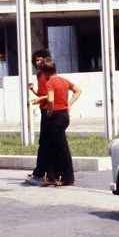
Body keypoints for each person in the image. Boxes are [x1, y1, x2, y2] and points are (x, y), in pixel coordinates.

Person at [27, 51, 81, 186]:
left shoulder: (50, 82)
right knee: (52, 146)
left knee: (61, 148)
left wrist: (50, 110)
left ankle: (68, 178)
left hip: (55, 116)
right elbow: (78, 90)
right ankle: (53, 175)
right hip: (63, 115)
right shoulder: (63, 80)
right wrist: (68, 104)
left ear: (46, 72)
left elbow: (50, 98)